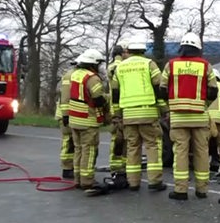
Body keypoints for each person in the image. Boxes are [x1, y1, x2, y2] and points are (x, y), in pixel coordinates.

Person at [160, 32, 218, 200]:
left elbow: (162, 91)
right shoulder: (205, 66)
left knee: (180, 153)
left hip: (178, 118)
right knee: (201, 152)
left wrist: (173, 102)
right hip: (199, 116)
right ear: (198, 48)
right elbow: (214, 91)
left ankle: (180, 190)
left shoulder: (170, 65)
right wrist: (202, 101)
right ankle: (201, 190)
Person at [112, 39, 166, 192]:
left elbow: (115, 94)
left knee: (132, 148)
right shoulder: (149, 64)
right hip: (147, 112)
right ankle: (155, 181)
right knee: (152, 145)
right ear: (143, 52)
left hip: (128, 115)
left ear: (128, 52)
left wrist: (117, 114)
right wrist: (163, 109)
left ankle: (133, 182)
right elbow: (159, 88)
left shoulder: (120, 68)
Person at [65, 49, 109, 196]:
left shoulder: (75, 74)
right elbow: (97, 98)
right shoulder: (92, 78)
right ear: (93, 64)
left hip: (74, 119)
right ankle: (87, 181)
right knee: (89, 151)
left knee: (78, 149)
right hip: (87, 120)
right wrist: (107, 99)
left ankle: (77, 179)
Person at [107, 43, 129, 175]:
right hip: (122, 107)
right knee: (123, 137)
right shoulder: (120, 66)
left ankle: (115, 164)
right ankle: (122, 165)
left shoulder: (110, 66)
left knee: (116, 137)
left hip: (113, 107)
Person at [55, 59, 77, 179]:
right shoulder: (71, 76)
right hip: (67, 113)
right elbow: (66, 98)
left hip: (67, 112)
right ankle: (67, 168)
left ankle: (70, 167)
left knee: (70, 141)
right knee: (69, 141)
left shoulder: (70, 75)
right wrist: (66, 115)